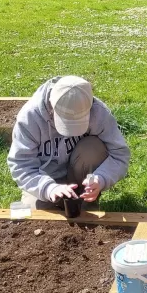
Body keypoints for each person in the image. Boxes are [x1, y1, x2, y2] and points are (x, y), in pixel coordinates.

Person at [8, 75, 130, 209]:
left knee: (93, 148)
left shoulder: (99, 112)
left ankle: (87, 202)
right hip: (44, 178)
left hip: (80, 174)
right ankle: (58, 199)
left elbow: (119, 155)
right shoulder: (30, 118)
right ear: (51, 106)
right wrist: (48, 188)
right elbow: (21, 164)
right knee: (35, 214)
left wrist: (100, 179)